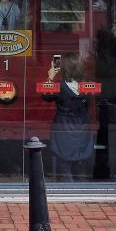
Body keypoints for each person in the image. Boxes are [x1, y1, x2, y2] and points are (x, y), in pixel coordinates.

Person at [44, 53, 93, 181]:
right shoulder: (86, 85)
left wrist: (50, 77)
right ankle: (82, 194)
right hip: (82, 126)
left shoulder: (60, 87)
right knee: (81, 166)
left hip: (63, 127)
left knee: (64, 166)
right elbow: (87, 105)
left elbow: (45, 96)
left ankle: (67, 192)